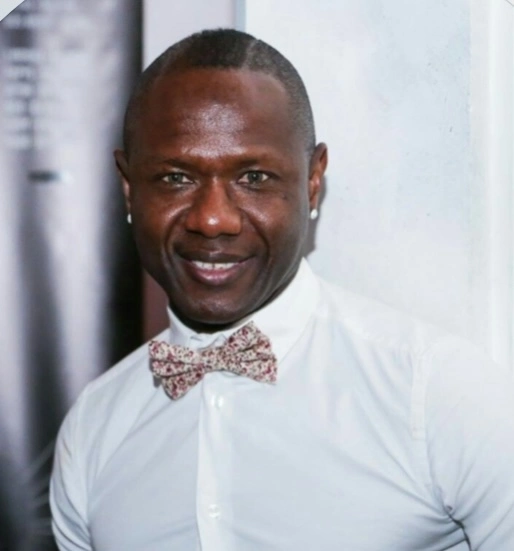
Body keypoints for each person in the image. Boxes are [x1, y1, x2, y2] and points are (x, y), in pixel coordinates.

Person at [50, 28, 514, 551]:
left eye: (254, 177)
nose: (213, 219)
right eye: (176, 178)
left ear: (313, 181)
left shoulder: (435, 394)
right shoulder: (92, 430)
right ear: (128, 185)